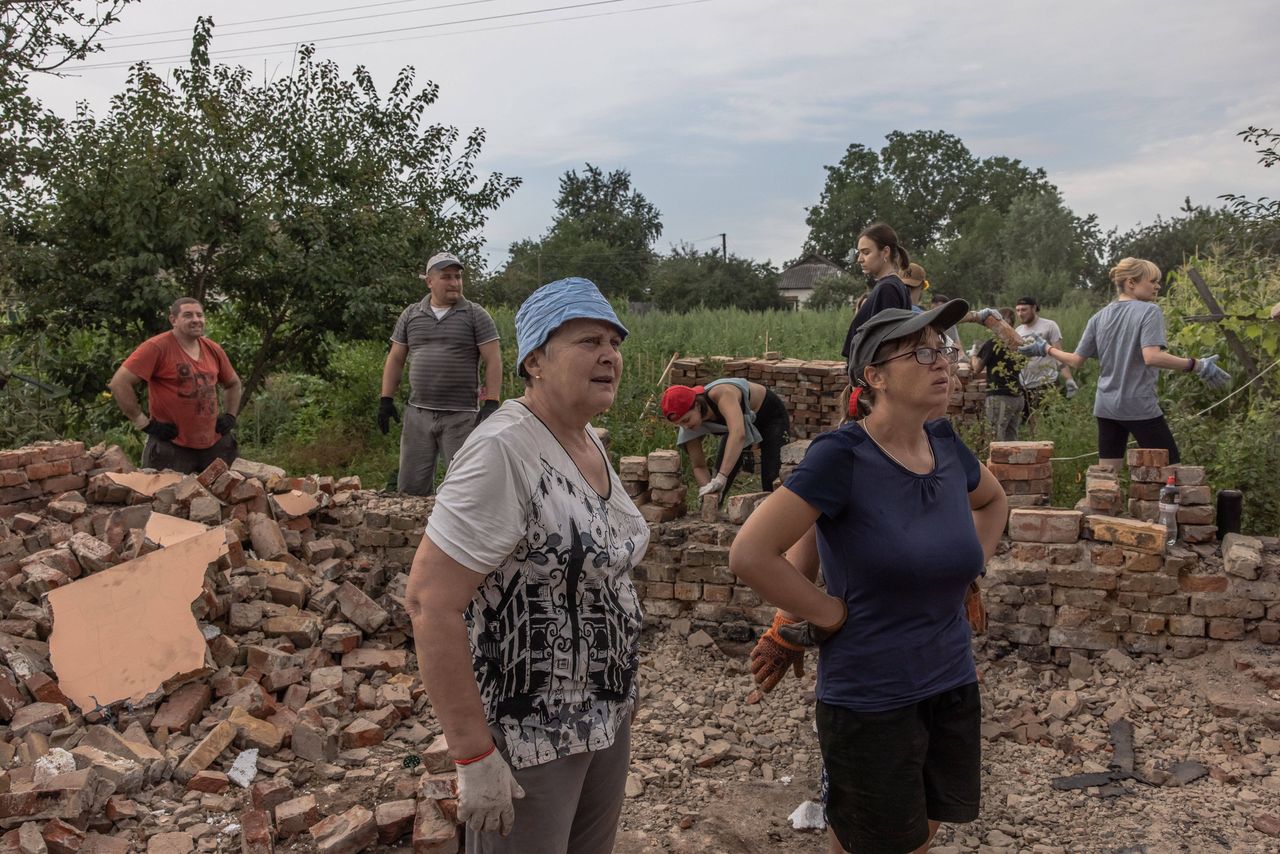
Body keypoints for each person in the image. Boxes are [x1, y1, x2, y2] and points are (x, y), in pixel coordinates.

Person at [729, 301, 1007, 854]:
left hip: (950, 680)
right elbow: (752, 553)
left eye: (945, 350)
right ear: (874, 376)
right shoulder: (842, 457)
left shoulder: (946, 445)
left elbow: (994, 501)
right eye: (922, 352)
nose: (943, 363)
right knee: (874, 842)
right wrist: (823, 613)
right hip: (872, 696)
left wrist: (964, 568)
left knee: (925, 828)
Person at [405, 277, 647, 854]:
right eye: (588, 341)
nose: (609, 355)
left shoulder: (583, 437)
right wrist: (472, 754)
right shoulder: (503, 451)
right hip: (531, 736)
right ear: (535, 360)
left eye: (614, 342)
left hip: (604, 713)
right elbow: (430, 601)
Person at [1020, 257, 1230, 471]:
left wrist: (1046, 349)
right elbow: (1152, 356)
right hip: (1138, 405)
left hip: (1106, 406)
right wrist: (1197, 365)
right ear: (1131, 283)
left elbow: (1076, 361)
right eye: (1152, 281)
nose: (1158, 286)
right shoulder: (1150, 311)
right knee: (1173, 472)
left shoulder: (1098, 317)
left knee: (1106, 478)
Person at [379, 252, 502, 496]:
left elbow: (493, 359)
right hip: (418, 414)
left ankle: (462, 533)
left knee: (465, 489)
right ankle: (416, 532)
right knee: (411, 490)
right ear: (429, 281)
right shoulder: (411, 314)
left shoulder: (475, 315)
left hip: (462, 417)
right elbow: (395, 358)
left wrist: (492, 403)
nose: (455, 282)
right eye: (446, 277)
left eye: (457, 277)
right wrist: (386, 399)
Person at [109, 297, 241, 473]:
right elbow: (119, 382)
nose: (196, 320)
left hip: (214, 444)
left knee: (226, 497)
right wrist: (143, 423)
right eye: (188, 315)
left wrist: (230, 416)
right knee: (165, 498)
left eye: (199, 315)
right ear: (174, 320)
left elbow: (233, 383)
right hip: (171, 446)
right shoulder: (157, 347)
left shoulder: (212, 349)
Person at [661, 378, 791, 504]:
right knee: (718, 484)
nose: (685, 427)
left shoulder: (721, 394)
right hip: (736, 427)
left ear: (697, 405)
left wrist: (722, 477)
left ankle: (777, 519)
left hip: (770, 416)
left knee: (771, 478)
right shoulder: (687, 423)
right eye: (679, 424)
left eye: (686, 420)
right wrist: (708, 494)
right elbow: (698, 466)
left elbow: (738, 434)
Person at [840, 223, 913, 359]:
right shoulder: (893, 286)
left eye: (866, 252)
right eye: (859, 253)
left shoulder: (888, 289)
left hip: (873, 376)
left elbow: (885, 345)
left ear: (885, 252)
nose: (860, 259)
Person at [1013, 297, 1077, 430]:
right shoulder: (1018, 331)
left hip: (1046, 383)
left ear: (1034, 308)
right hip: (1025, 384)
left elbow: (1059, 354)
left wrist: (1069, 379)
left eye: (1024, 310)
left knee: (1050, 423)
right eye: (1017, 310)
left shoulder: (1049, 326)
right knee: (1026, 425)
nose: (1020, 313)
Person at [970, 307, 1025, 442]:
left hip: (999, 396)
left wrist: (973, 355)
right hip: (1018, 397)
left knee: (995, 439)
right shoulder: (1019, 343)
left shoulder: (993, 343)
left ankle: (998, 464)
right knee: (1012, 438)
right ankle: (1013, 463)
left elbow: (977, 368)